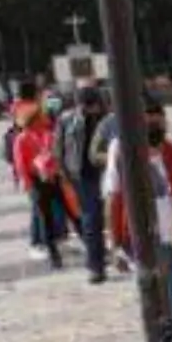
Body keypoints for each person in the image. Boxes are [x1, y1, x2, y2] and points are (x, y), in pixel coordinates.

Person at [105, 96, 172, 290]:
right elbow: (114, 197)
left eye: (159, 123)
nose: (155, 129)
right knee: (160, 294)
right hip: (146, 237)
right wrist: (115, 243)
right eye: (148, 124)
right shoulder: (123, 153)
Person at [58, 82, 114, 282]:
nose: (89, 109)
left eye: (92, 104)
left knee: (117, 216)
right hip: (83, 177)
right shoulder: (67, 120)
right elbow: (59, 150)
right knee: (92, 220)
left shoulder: (110, 119)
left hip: (109, 172)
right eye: (85, 105)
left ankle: (124, 256)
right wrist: (65, 175)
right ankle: (95, 267)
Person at [12, 91, 70, 270]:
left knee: (72, 212)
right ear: (32, 119)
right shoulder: (21, 139)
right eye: (40, 116)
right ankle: (53, 254)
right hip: (37, 182)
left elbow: (57, 152)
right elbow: (21, 165)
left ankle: (83, 242)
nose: (44, 118)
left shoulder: (47, 133)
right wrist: (30, 187)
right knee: (46, 219)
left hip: (54, 178)